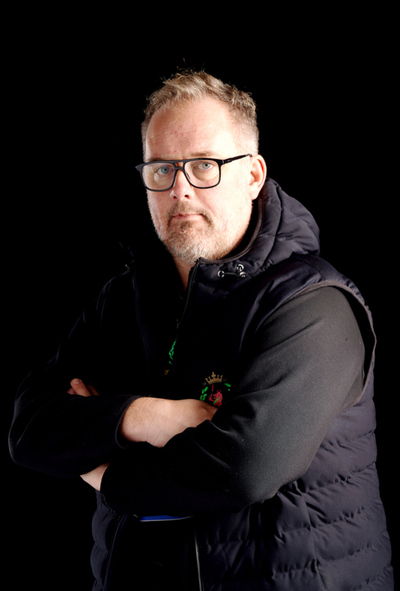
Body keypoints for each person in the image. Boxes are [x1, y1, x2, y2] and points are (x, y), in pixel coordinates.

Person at [9, 70, 394, 590]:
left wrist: (106, 474)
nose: (180, 189)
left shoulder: (313, 305)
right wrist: (144, 417)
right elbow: (29, 430)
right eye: (162, 169)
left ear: (253, 175)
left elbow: (244, 468)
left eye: (205, 165)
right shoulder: (125, 297)